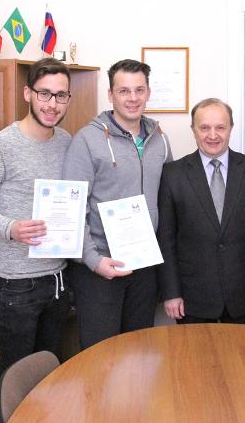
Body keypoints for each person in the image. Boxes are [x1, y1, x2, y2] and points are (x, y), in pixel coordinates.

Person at [0, 58, 72, 380]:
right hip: (16, 283)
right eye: (44, 93)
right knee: (15, 375)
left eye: (61, 95)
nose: (52, 104)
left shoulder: (67, 142)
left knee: (50, 372)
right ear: (28, 94)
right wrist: (11, 228)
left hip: (58, 278)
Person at [62, 59, 172, 349]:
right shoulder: (86, 140)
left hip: (144, 266)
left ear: (148, 93)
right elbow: (73, 210)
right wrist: (93, 260)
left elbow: (167, 200)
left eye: (139, 90)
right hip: (100, 267)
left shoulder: (160, 140)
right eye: (124, 91)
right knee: (101, 355)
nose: (132, 98)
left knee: (139, 352)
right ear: (111, 95)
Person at [157, 98, 245, 324]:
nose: (212, 135)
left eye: (220, 127)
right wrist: (171, 292)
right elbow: (166, 240)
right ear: (193, 129)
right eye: (204, 127)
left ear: (231, 128)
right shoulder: (172, 175)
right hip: (192, 297)